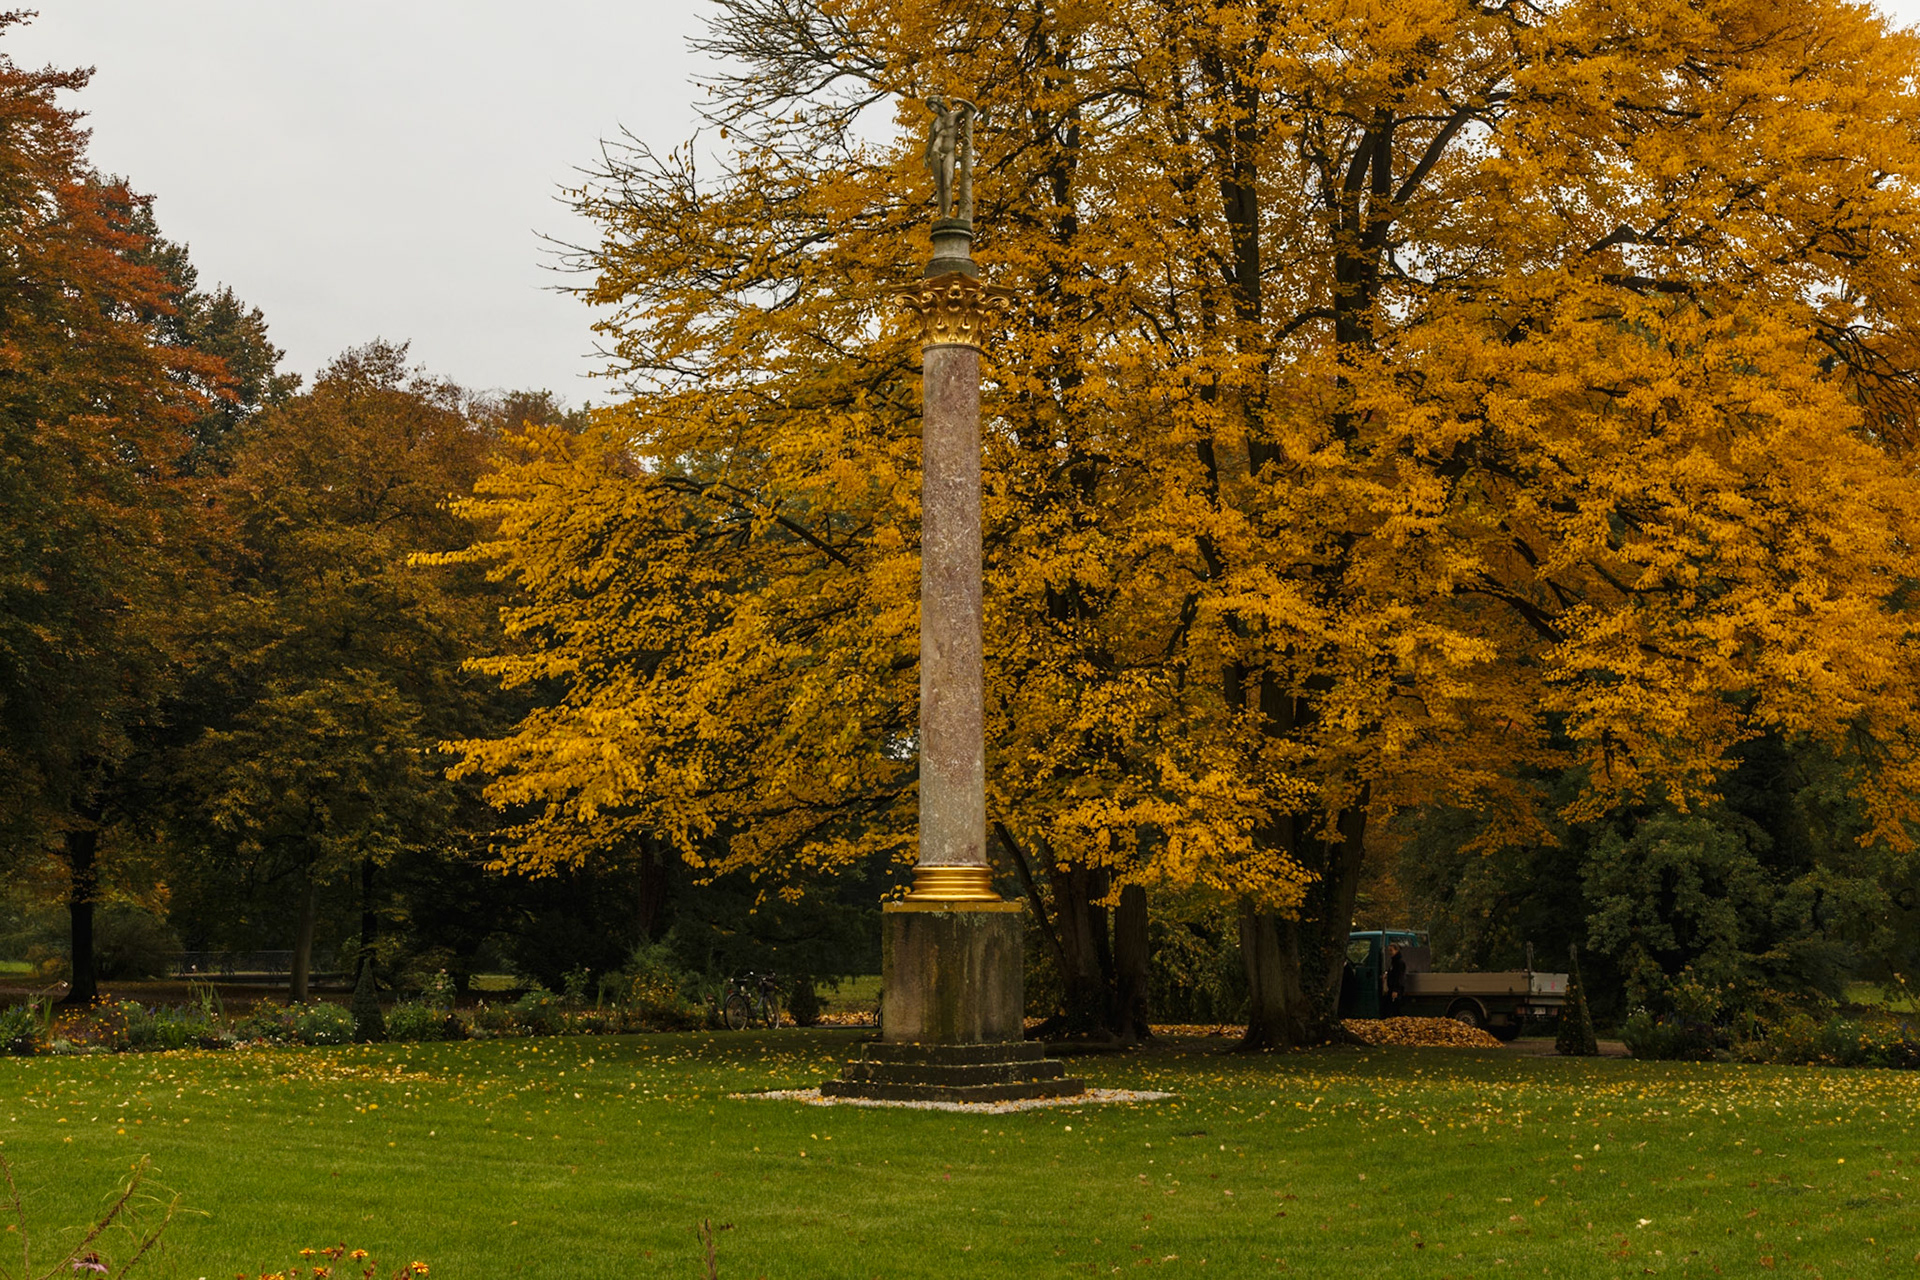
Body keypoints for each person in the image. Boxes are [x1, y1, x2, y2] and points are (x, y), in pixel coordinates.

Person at [1386, 942, 1407, 1016]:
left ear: (1396, 950)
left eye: (1391, 950)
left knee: (1396, 1008)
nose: (1389, 953)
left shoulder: (1399, 963)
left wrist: (1396, 990)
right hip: (1392, 988)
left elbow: (1399, 977)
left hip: (1396, 989)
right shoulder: (1393, 962)